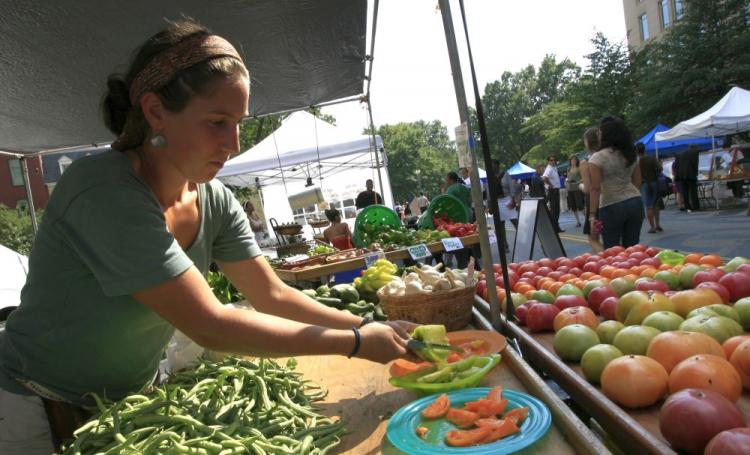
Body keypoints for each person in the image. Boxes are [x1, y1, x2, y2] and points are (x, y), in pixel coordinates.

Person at [0, 20, 415, 454]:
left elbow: (272, 294)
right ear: (156, 111)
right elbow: (210, 324)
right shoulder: (103, 191)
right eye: (217, 122)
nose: (233, 143)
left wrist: (368, 325)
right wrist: (353, 344)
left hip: (125, 401)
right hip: (32, 403)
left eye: (238, 122)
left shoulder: (214, 200)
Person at [588, 116, 644, 249]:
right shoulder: (630, 153)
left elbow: (595, 188)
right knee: (632, 248)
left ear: (606, 135)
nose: (599, 135)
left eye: (600, 132)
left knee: (612, 250)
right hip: (634, 200)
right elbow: (638, 180)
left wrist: (592, 214)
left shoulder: (597, 157)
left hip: (610, 203)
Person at [580, 127, 604, 253]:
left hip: (594, 202)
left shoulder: (586, 162)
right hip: (610, 198)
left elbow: (588, 189)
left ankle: (608, 263)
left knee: (593, 238)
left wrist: (579, 186)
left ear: (587, 142)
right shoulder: (609, 155)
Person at [637, 142, 663, 233]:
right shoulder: (651, 158)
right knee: (655, 204)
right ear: (644, 149)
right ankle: (658, 224)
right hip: (654, 183)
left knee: (648, 206)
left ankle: (652, 227)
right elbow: (660, 168)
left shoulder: (636, 162)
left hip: (643, 185)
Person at [675, 144, 700, 212]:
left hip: (682, 175)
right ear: (695, 148)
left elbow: (677, 166)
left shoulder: (679, 154)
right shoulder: (695, 152)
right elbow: (695, 164)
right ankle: (695, 206)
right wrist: (696, 173)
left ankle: (687, 206)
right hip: (691, 175)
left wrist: (677, 177)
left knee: (685, 192)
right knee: (693, 191)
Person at [542, 156, 563, 233]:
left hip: (556, 190)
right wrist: (550, 185)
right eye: (551, 160)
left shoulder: (554, 168)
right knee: (554, 210)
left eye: (554, 160)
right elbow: (544, 178)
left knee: (557, 210)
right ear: (548, 161)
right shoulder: (549, 169)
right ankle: (554, 228)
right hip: (553, 190)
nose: (553, 161)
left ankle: (556, 227)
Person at [565, 156, 585, 227]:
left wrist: (577, 182)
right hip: (570, 190)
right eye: (572, 160)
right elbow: (568, 178)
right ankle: (578, 221)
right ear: (570, 161)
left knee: (580, 206)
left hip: (577, 189)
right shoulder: (568, 168)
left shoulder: (579, 168)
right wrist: (567, 182)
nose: (573, 161)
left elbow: (583, 178)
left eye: (574, 160)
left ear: (577, 161)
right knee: (573, 207)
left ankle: (587, 220)